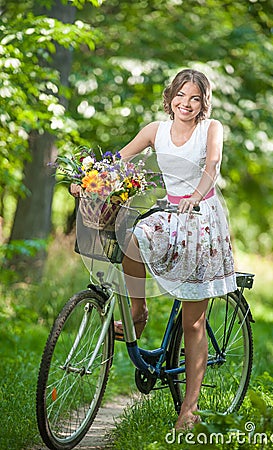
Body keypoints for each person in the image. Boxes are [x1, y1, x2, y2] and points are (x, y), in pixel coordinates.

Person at [71, 68, 237, 430]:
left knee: (193, 322)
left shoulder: (212, 129)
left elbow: (212, 164)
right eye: (181, 95)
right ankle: (139, 310)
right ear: (170, 96)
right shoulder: (155, 131)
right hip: (170, 211)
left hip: (200, 218)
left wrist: (195, 197)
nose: (186, 104)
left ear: (203, 102)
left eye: (195, 98)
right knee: (134, 238)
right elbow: (118, 161)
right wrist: (88, 181)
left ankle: (189, 411)